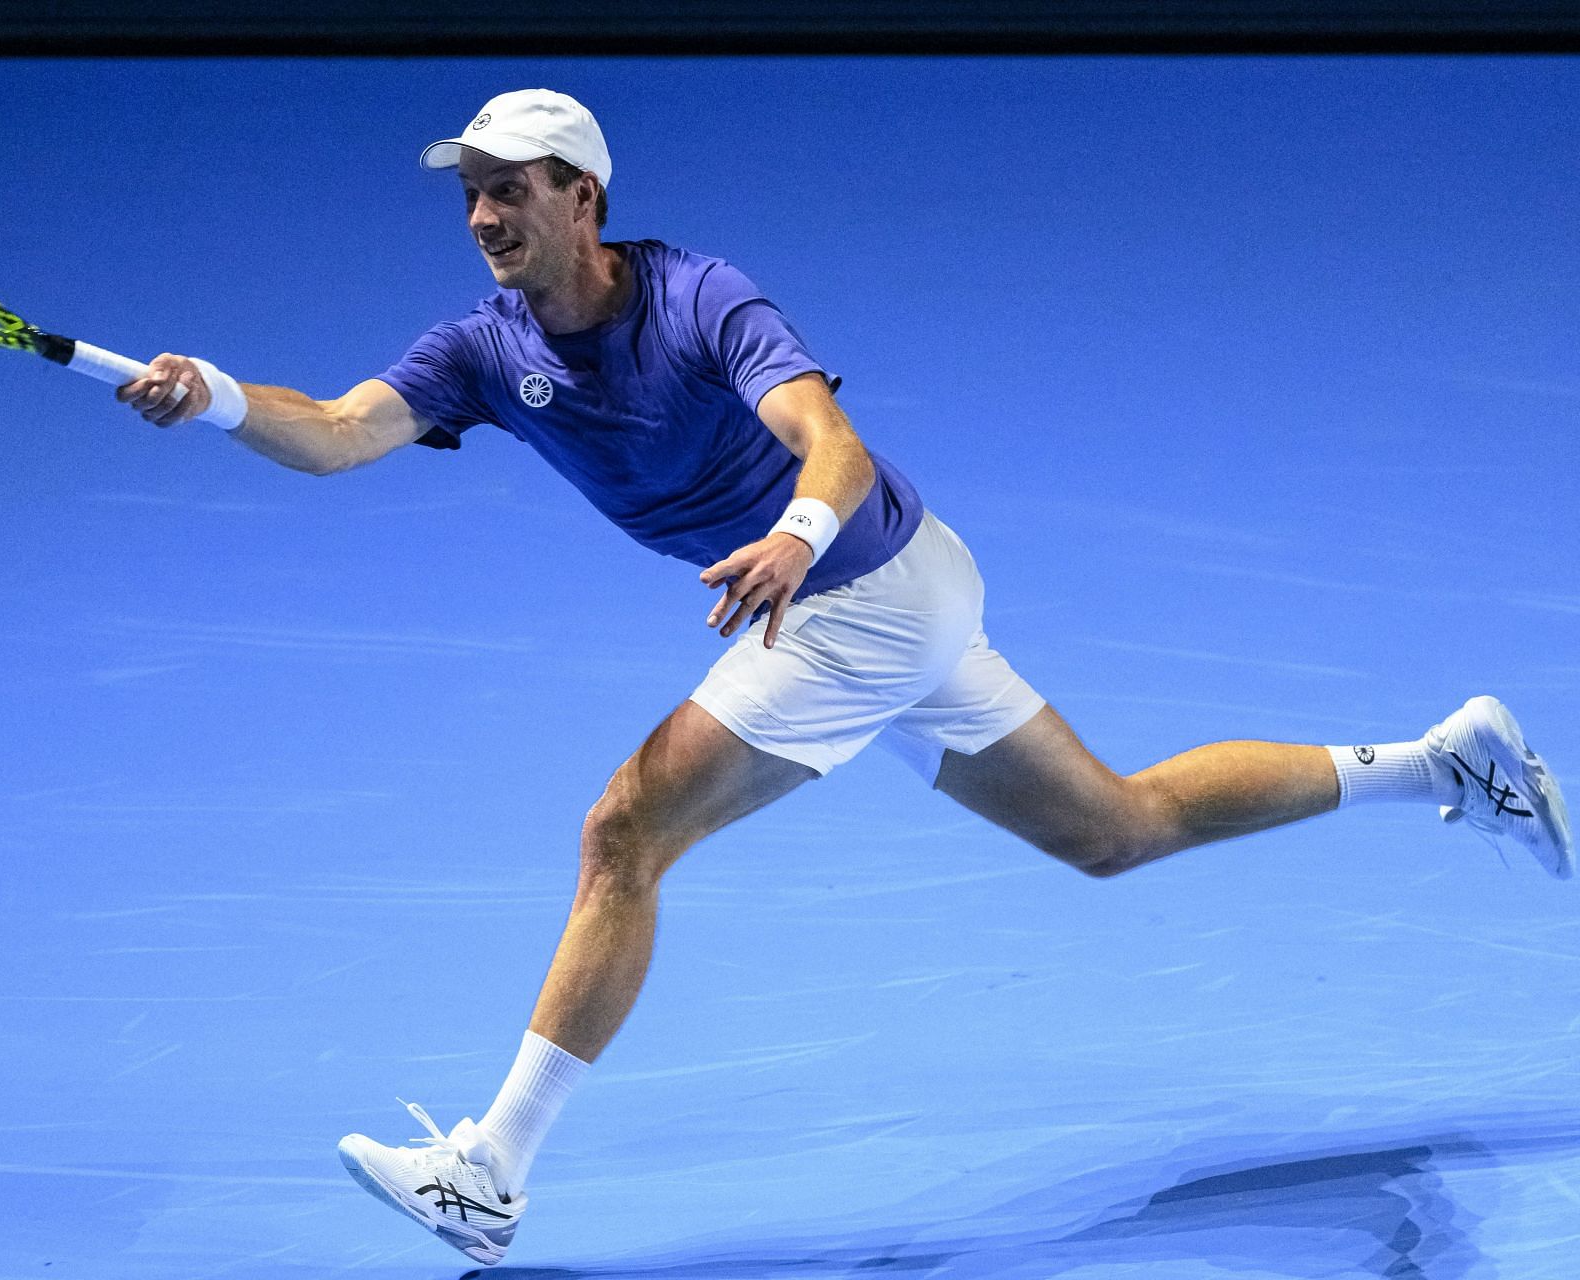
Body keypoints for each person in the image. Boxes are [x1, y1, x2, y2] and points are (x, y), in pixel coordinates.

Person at [115, 89, 1572, 1267]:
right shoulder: (483, 350)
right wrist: (223, 398)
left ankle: (489, 1174)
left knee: (625, 830)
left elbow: (834, 445)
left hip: (860, 591)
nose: (487, 214)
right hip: (897, 595)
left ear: (585, 200)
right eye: (472, 192)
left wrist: (790, 542)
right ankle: (1446, 760)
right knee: (1116, 830)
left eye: (516, 186)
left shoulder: (698, 300)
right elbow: (340, 430)